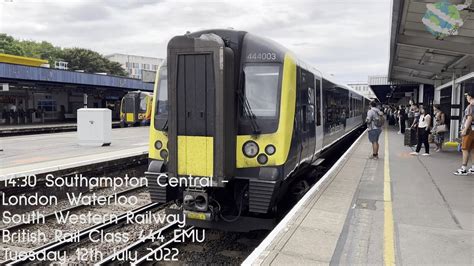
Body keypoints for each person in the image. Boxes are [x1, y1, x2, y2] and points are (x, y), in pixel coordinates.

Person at [454, 91, 474, 175]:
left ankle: (463, 168)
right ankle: (473, 168)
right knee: (473, 149)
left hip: (469, 130)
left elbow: (469, 118)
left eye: (467, 96)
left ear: (470, 97)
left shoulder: (470, 106)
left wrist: (465, 129)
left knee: (465, 149)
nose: (466, 97)